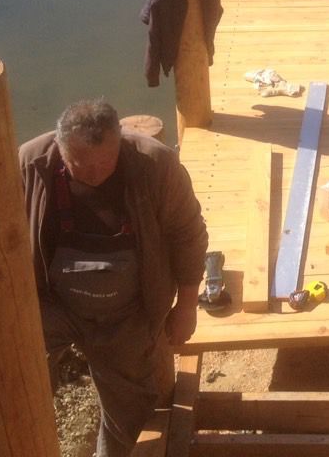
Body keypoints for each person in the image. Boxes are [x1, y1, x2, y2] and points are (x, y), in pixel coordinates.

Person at [19, 99, 208, 457]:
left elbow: (189, 235)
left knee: (131, 414)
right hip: (52, 303)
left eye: (105, 162)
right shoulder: (30, 163)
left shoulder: (156, 165)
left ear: (119, 141)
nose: (94, 174)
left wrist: (186, 306)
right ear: (59, 149)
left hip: (128, 311)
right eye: (80, 165)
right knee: (18, 379)